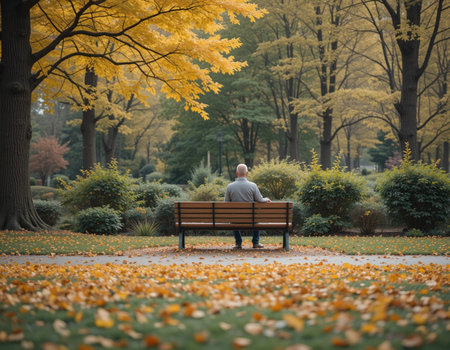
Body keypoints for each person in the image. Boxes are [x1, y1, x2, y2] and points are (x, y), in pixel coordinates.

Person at [224, 163, 271, 249]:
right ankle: (255, 243)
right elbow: (260, 200)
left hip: (235, 219)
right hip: (251, 219)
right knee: (257, 218)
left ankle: (238, 243)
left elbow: (226, 203)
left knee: (233, 219)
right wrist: (266, 199)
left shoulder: (230, 186)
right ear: (247, 173)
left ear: (237, 173)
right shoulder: (253, 186)